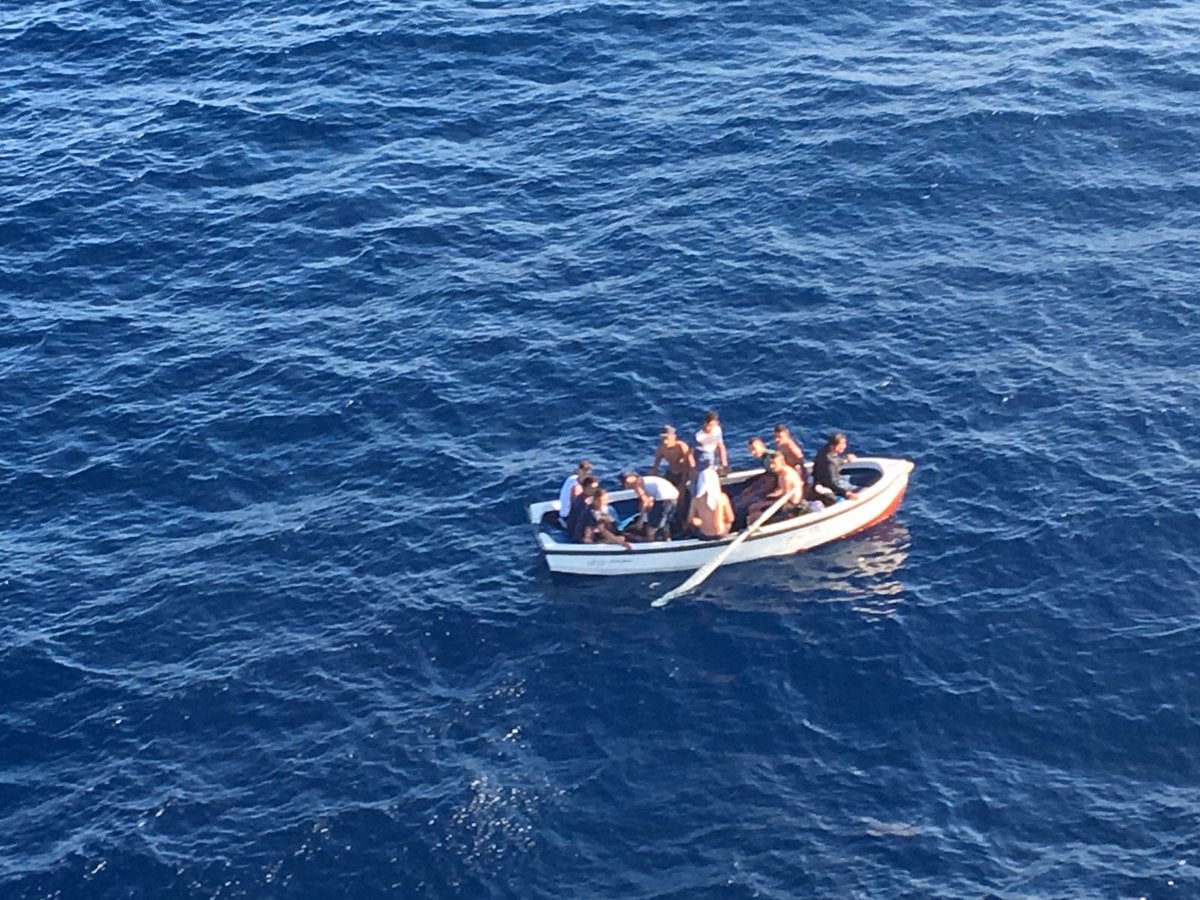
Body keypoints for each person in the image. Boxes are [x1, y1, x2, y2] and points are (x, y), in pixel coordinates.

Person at [650, 425, 695, 529]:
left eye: (667, 438)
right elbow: (655, 467)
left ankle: (684, 522)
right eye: (663, 438)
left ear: (673, 437)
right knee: (665, 497)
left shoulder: (681, 446)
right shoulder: (661, 449)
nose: (665, 441)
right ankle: (667, 521)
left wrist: (684, 484)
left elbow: (690, 464)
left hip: (683, 474)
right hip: (670, 474)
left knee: (682, 497)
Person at [747, 452, 805, 522]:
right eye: (771, 463)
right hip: (785, 500)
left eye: (774, 464)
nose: (771, 466)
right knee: (754, 505)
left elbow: (784, 499)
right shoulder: (782, 472)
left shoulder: (786, 476)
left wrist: (763, 504)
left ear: (782, 463)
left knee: (754, 514)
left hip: (791, 505)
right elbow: (782, 489)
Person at [622, 472, 679, 541]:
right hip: (674, 496)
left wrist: (640, 521)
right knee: (665, 524)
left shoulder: (637, 484)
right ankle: (668, 541)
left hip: (663, 498)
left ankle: (652, 545)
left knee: (651, 527)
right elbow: (650, 500)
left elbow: (646, 502)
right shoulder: (645, 480)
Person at [812, 431, 859, 505]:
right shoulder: (829, 463)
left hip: (819, 479)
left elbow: (835, 460)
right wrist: (846, 493)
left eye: (845, 443)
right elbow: (831, 483)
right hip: (830, 484)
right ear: (833, 446)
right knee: (859, 486)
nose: (844, 446)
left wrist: (845, 459)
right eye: (842, 444)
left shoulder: (824, 450)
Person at [688, 466, 734, 539]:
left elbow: (691, 520)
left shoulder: (696, 500)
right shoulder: (722, 497)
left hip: (704, 535)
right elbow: (730, 518)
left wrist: (702, 523)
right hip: (720, 534)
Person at [557, 460, 592, 526]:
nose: (586, 477)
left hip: (563, 512)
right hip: (568, 517)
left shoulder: (572, 478)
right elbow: (577, 506)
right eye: (585, 474)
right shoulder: (577, 488)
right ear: (579, 471)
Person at [566, 476, 599, 541]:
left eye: (596, 488)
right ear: (585, 488)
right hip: (579, 535)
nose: (595, 490)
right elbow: (579, 524)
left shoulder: (591, 499)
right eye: (592, 488)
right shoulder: (580, 504)